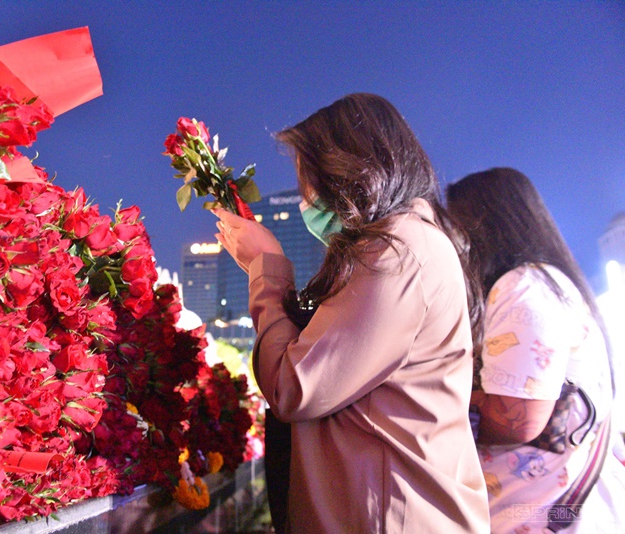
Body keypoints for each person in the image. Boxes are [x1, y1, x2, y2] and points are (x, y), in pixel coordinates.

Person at [213, 93, 490, 533]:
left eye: (307, 180)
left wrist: (266, 267)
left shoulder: (398, 250)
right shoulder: (408, 242)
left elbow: (294, 385)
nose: (305, 199)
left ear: (345, 172)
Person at [446, 167, 625, 532]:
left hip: (540, 514)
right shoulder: (546, 283)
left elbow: (520, 419)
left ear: (481, 225)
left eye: (455, 225)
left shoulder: (524, 288)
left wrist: (436, 397)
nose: (452, 240)